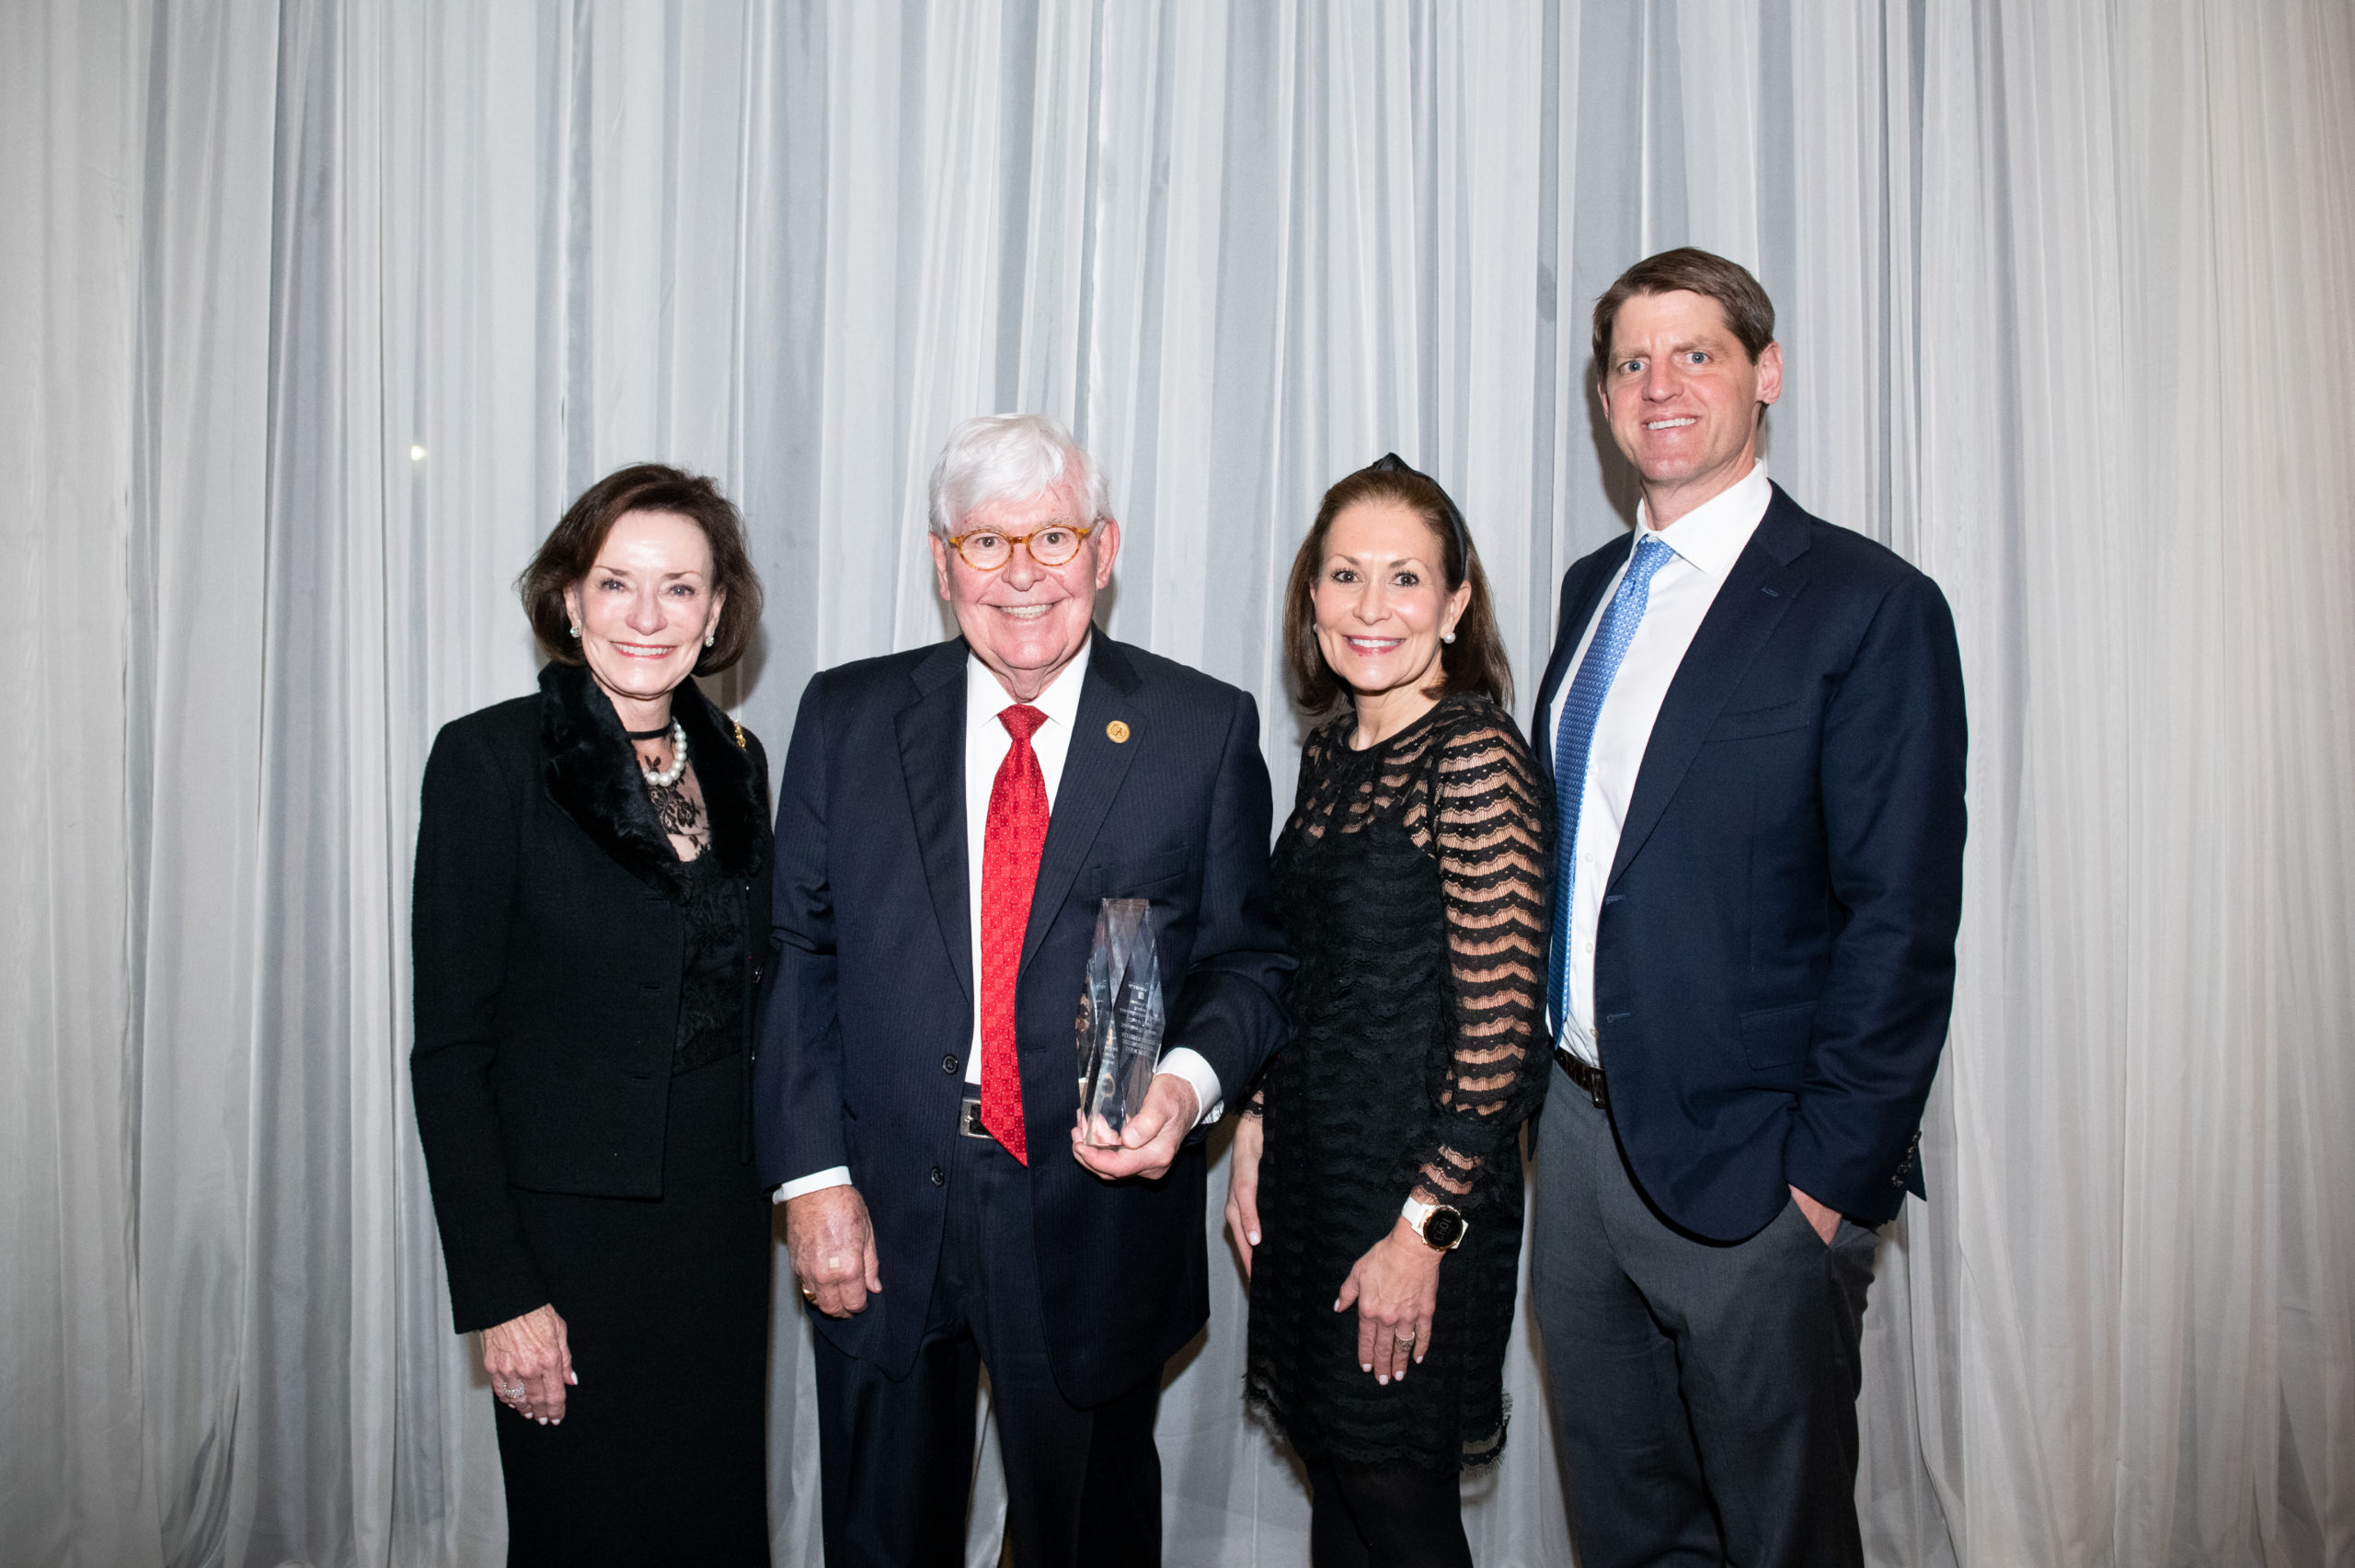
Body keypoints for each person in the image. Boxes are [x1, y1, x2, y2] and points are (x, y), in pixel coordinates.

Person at [753, 413, 1292, 1567]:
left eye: (1052, 535)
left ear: (1103, 549)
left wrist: (1187, 1090)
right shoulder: (845, 718)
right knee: (883, 1538)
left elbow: (1249, 961)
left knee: (1086, 1537)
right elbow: (799, 953)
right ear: (942, 561)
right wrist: (812, 1181)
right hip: (884, 1203)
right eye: (986, 544)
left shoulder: (1200, 728)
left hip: (1092, 1213)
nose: (1023, 574)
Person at [1527, 246, 1969, 1567]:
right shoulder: (1587, 592)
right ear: (1606, 399)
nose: (1661, 386)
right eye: (1631, 362)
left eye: (1697, 353)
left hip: (1758, 1179)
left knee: (1781, 1537)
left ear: (1765, 374)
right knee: (1628, 1523)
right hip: (1581, 1145)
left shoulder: (1869, 606)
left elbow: (1900, 921)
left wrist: (1823, 1191)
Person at [409, 464, 775, 1566]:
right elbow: (450, 1049)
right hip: (565, 1241)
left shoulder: (742, 763)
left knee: (711, 1519)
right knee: (584, 1528)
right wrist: (503, 1292)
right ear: (569, 597)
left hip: (716, 1225)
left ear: (716, 612)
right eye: (618, 583)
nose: (648, 616)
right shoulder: (487, 759)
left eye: (680, 588)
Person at [1224, 456, 1549, 1568]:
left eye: (1405, 579)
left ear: (1455, 604)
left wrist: (1424, 1230)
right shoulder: (1329, 754)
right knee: (1342, 1493)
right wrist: (1255, 1133)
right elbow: (1301, 974)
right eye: (1345, 574)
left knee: (1396, 1506)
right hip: (1317, 1185)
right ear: (1309, 595)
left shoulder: (1469, 753)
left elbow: (1503, 1030)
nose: (1372, 608)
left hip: (1412, 1198)